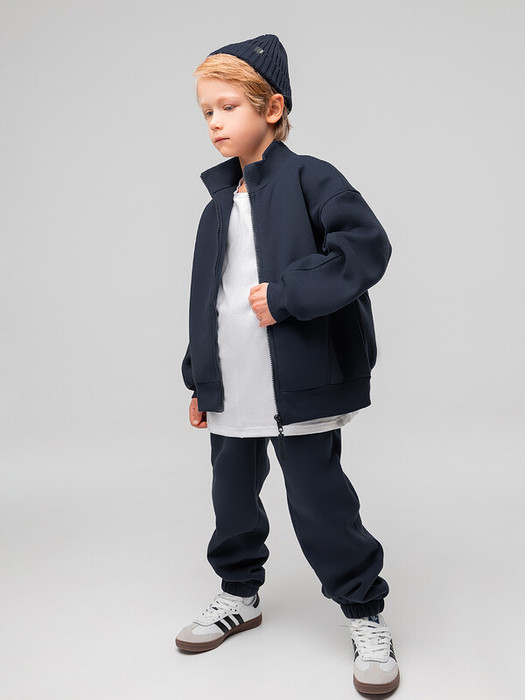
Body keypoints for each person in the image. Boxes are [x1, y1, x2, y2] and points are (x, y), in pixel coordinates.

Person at [176, 34, 400, 695]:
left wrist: (286, 295)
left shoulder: (311, 179)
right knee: (231, 498)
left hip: (297, 380)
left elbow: (365, 248)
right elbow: (210, 303)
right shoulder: (217, 206)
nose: (214, 122)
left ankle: (363, 612)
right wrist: (199, 377)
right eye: (206, 111)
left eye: (227, 107)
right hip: (232, 383)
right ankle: (238, 593)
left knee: (319, 501)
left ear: (271, 108)